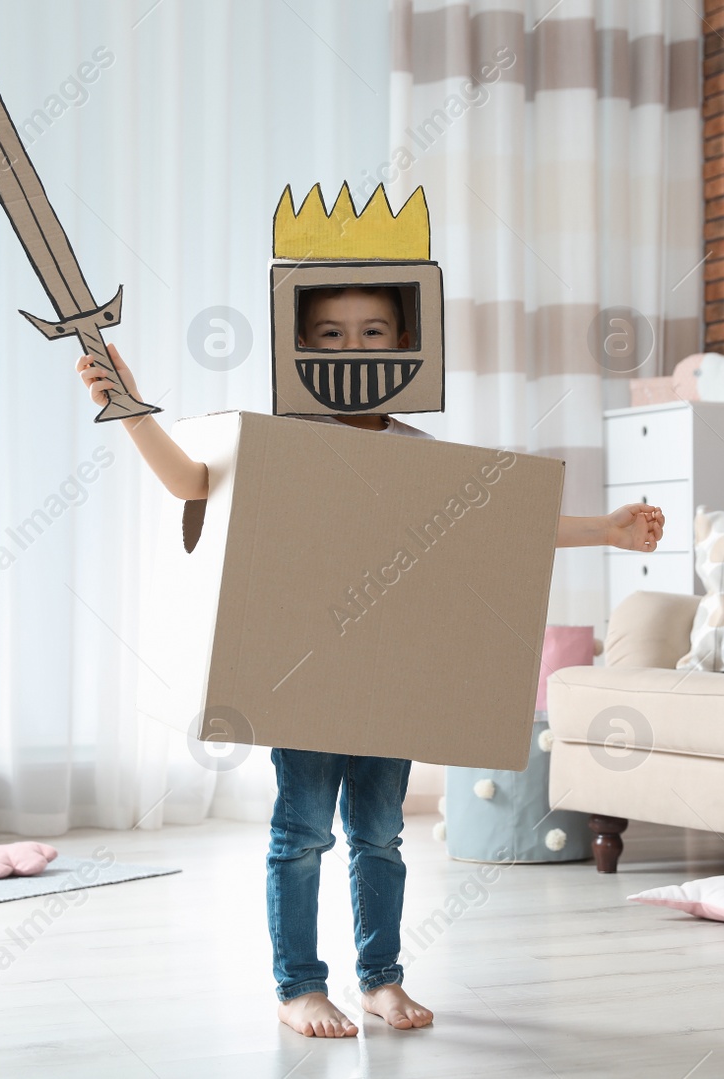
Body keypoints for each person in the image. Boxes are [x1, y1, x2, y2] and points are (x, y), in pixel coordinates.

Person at [77, 286, 665, 1038]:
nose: (353, 346)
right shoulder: (289, 441)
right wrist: (130, 405)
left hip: (392, 678)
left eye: (374, 330)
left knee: (381, 835)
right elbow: (193, 481)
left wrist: (606, 530)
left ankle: (381, 978)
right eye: (329, 332)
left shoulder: (420, 455)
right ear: (303, 349)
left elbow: (509, 524)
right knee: (303, 833)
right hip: (310, 674)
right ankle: (298, 985)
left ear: (406, 344)